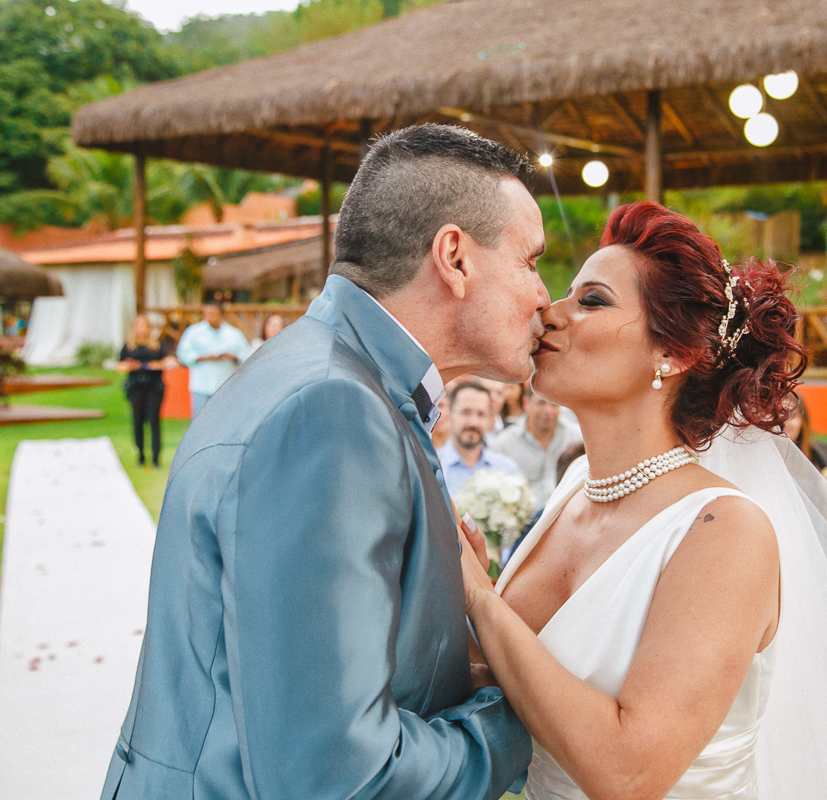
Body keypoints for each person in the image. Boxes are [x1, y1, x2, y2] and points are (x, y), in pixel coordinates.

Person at [101, 124, 549, 800]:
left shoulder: (329, 376)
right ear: (454, 257)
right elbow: (339, 777)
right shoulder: (333, 410)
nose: (545, 296)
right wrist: (528, 719)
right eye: (532, 260)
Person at [455, 202, 827, 800]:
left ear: (673, 353)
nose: (547, 313)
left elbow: (628, 774)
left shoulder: (724, 531)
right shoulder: (574, 486)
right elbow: (514, 679)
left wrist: (483, 599)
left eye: (591, 301)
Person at [493, 385, 583, 511]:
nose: (548, 411)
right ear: (526, 403)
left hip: (568, 515)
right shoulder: (504, 443)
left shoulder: (577, 438)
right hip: (523, 523)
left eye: (554, 405)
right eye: (541, 403)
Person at [438, 380, 522, 497]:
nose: (473, 422)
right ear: (450, 414)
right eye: (465, 412)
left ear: (489, 418)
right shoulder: (433, 468)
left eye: (481, 414)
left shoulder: (507, 469)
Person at [115, 315, 177, 468]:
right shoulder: (129, 346)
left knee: (154, 419)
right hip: (136, 386)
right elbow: (119, 365)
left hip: (153, 386)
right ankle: (141, 454)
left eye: (145, 326)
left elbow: (171, 361)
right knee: (137, 420)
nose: (142, 329)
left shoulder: (157, 345)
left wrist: (151, 365)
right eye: (139, 326)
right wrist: (130, 366)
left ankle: (156, 456)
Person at [175, 302, 250, 418]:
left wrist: (233, 357)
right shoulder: (194, 332)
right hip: (201, 385)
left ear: (221, 315)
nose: (209, 317)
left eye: (213, 314)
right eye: (207, 314)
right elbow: (183, 354)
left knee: (223, 420)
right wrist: (203, 357)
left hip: (225, 384)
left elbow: (245, 354)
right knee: (200, 421)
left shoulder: (234, 334)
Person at [782, 390, 827, 503]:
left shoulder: (820, 454)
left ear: (802, 421)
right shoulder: (764, 456)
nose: (785, 422)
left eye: (791, 416)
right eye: (779, 416)